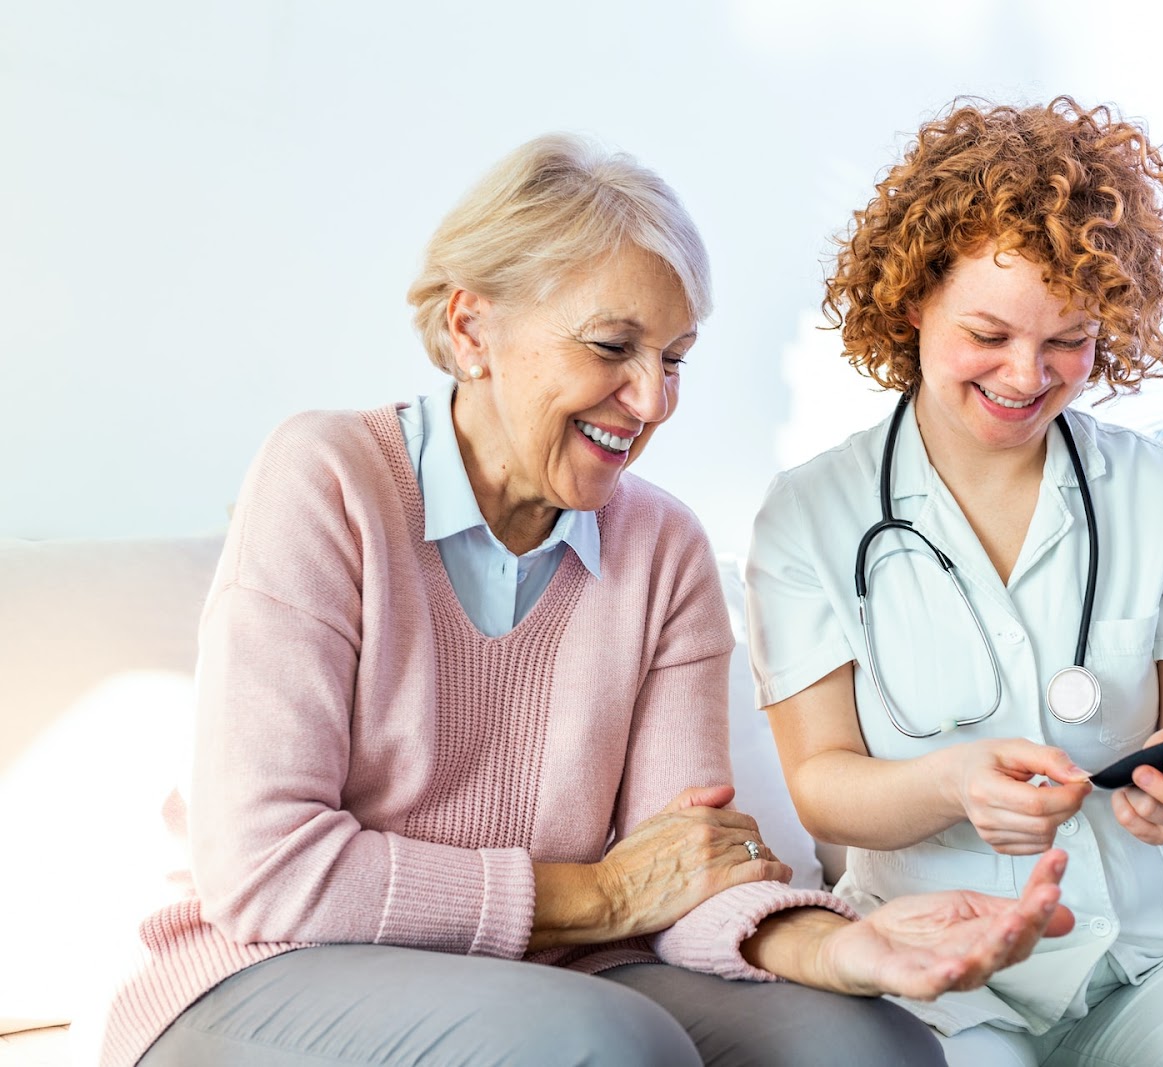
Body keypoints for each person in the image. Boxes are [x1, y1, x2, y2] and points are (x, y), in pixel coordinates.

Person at [97, 133, 1076, 1067]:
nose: (651, 400)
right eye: (613, 345)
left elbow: (677, 869)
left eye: (675, 357)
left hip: (546, 981)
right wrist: (596, 893)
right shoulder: (327, 478)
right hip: (261, 974)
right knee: (605, 1044)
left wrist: (839, 947)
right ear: (472, 325)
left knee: (866, 1044)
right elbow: (268, 868)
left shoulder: (663, 548)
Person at [743, 97, 1163, 1066]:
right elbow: (819, 782)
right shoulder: (809, 513)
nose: (1027, 374)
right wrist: (950, 780)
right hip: (942, 971)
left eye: (1068, 337)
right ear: (911, 300)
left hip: (1155, 963)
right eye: (987, 332)